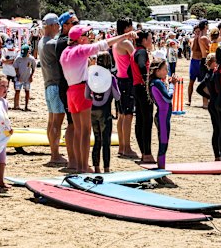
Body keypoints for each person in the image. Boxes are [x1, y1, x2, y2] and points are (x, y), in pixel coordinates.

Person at [59, 24, 136, 173]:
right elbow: (103, 45)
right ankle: (83, 167)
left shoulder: (65, 52)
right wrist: (124, 36)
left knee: (77, 131)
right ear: (81, 39)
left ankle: (78, 165)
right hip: (82, 90)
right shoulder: (80, 50)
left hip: (71, 91)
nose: (89, 37)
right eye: (87, 35)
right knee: (85, 132)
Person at [38, 13, 67, 166]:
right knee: (57, 122)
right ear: (52, 25)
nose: (58, 28)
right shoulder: (51, 44)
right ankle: (55, 155)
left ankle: (53, 152)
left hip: (48, 84)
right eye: (57, 25)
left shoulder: (42, 42)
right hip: (56, 85)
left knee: (52, 122)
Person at [85, 52, 120, 173]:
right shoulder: (111, 78)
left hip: (93, 111)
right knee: (106, 141)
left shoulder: (91, 77)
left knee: (97, 140)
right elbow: (117, 96)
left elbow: (86, 95)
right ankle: (106, 168)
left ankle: (96, 167)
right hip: (105, 112)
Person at [148, 59, 178, 187]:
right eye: (165, 69)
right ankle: (161, 174)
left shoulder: (154, 82)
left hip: (161, 115)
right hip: (162, 116)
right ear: (157, 71)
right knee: (163, 144)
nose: (167, 72)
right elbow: (168, 97)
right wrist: (172, 85)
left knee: (163, 144)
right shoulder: (157, 83)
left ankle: (161, 172)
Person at [112, 18, 139, 159]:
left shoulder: (115, 41)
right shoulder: (126, 43)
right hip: (127, 81)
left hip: (119, 79)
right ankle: (126, 147)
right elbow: (136, 58)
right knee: (128, 115)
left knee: (121, 115)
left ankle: (122, 146)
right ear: (126, 28)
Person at [56, 10, 79, 166]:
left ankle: (74, 159)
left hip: (69, 85)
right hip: (67, 86)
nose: (78, 26)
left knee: (75, 123)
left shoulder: (65, 40)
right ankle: (72, 160)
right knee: (72, 124)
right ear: (65, 26)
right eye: (75, 23)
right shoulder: (64, 41)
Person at [131, 30, 155, 163]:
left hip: (136, 87)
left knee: (140, 120)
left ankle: (144, 152)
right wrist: (148, 81)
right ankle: (147, 153)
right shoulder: (142, 52)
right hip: (142, 88)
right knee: (146, 121)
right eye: (150, 38)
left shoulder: (135, 51)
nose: (151, 41)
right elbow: (141, 66)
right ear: (144, 40)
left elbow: (130, 70)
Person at [196, 53, 220, 160]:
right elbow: (199, 89)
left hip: (212, 104)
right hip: (216, 104)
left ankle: (217, 155)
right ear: (213, 63)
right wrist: (211, 96)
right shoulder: (215, 74)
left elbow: (199, 89)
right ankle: (219, 154)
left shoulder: (207, 75)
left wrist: (209, 96)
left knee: (216, 130)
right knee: (219, 130)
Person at [13, 44, 36, 111]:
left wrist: (31, 76)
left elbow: (33, 68)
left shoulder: (31, 59)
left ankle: (26, 106)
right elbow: (16, 68)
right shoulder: (18, 58)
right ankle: (16, 105)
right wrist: (18, 76)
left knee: (27, 91)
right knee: (17, 91)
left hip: (27, 78)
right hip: (19, 78)